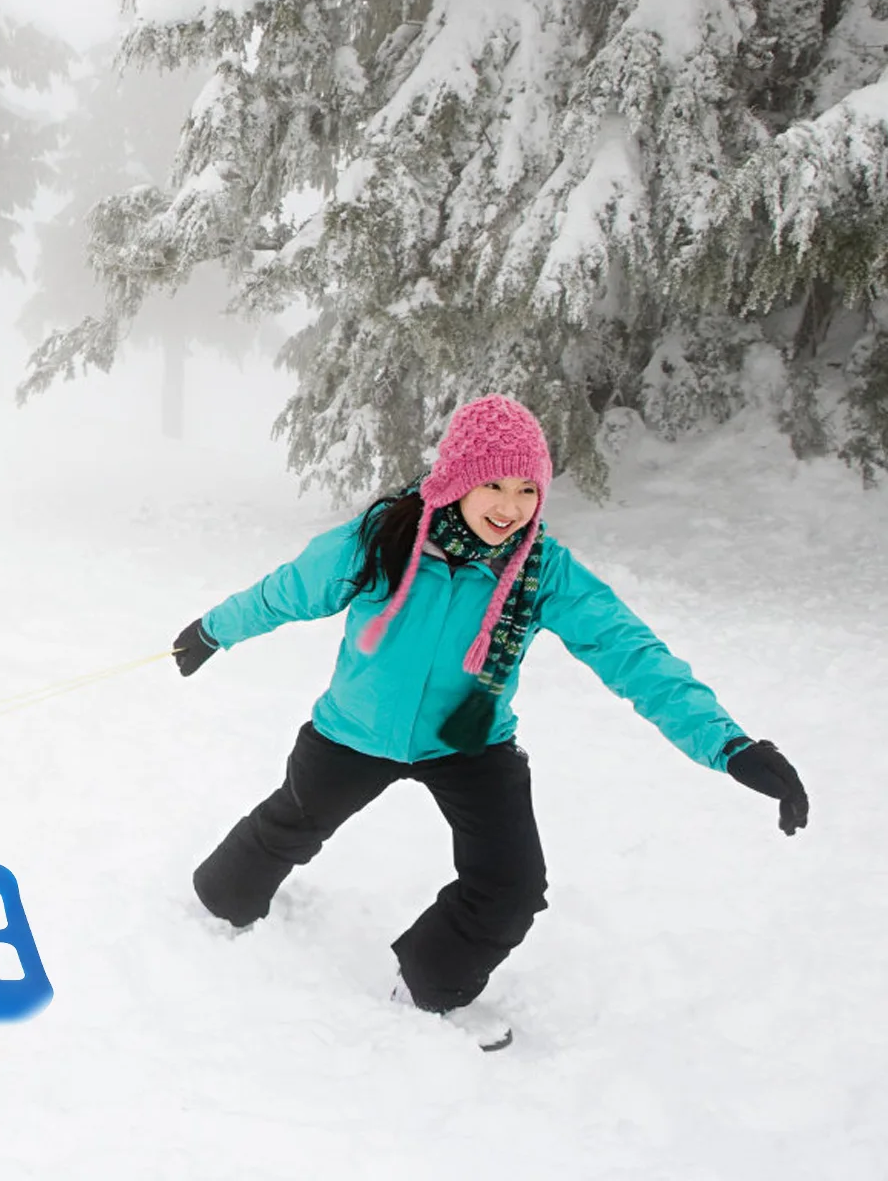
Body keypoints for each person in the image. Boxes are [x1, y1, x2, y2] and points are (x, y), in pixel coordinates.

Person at [171, 394, 808, 1049]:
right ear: (456, 479)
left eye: (528, 488)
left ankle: (430, 985)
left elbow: (634, 656)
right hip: (352, 734)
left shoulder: (543, 571)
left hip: (470, 745)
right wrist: (213, 631)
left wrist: (730, 746)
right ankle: (218, 903)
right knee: (290, 825)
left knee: (512, 884)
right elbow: (287, 590)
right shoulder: (383, 539)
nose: (510, 506)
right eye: (494, 484)